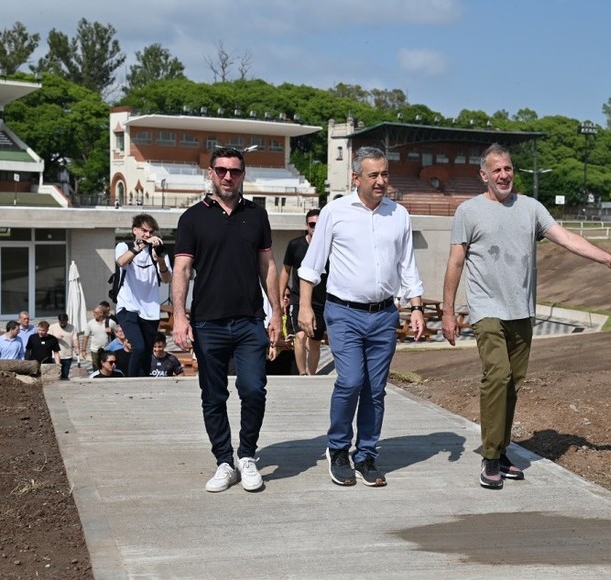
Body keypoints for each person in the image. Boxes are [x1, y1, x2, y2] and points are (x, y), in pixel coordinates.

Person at [441, 143, 611, 490]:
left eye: (508, 168)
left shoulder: (531, 208)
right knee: (498, 375)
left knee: (513, 384)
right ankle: (490, 458)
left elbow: (566, 238)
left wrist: (607, 258)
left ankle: (501, 451)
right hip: (487, 308)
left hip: (521, 309)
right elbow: (455, 262)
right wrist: (448, 311)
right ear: (484, 175)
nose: (504, 175)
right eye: (497, 170)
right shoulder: (468, 212)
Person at [298, 146, 426, 488]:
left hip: (384, 314)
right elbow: (312, 265)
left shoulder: (399, 214)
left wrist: (415, 306)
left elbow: (407, 264)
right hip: (344, 313)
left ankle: (366, 454)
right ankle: (338, 449)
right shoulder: (334, 212)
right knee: (351, 380)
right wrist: (305, 306)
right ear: (356, 178)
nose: (381, 181)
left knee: (374, 390)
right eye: (374, 175)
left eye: (385, 174)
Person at [172, 146, 281, 494]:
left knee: (253, 389)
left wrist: (277, 312)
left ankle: (246, 455)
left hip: (250, 320)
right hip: (207, 323)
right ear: (210, 173)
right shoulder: (192, 218)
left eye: (235, 171)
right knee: (213, 396)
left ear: (243, 174)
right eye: (221, 170)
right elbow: (182, 269)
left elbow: (268, 266)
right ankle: (224, 461)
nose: (228, 177)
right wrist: (179, 316)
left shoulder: (257, 216)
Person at [115, 213, 172, 377]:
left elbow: (167, 278)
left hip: (150, 309)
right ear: (135, 230)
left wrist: (160, 260)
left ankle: (145, 382)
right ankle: (131, 382)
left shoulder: (158, 252)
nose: (148, 235)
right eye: (144, 231)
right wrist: (140, 246)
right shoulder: (124, 246)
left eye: (151, 232)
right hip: (128, 306)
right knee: (138, 346)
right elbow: (121, 262)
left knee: (147, 350)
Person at [278, 208, 327, 375]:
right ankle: (302, 374)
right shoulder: (295, 245)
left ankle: (311, 375)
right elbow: (285, 270)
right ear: (306, 225)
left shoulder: (329, 247)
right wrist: (280, 295)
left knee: (314, 342)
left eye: (319, 225)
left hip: (321, 301)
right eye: (312, 224)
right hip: (299, 299)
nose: (315, 228)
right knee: (299, 337)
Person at [84, 306, 116, 372]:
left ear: (101, 313)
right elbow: (85, 337)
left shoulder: (110, 322)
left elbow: (119, 334)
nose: (93, 314)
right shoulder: (90, 323)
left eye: (95, 312)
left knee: (107, 367)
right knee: (96, 368)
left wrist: (112, 331)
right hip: (95, 350)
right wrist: (83, 350)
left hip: (107, 349)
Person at [50, 313, 80, 380]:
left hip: (68, 355)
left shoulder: (72, 327)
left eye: (64, 322)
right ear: (59, 321)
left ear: (67, 320)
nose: (63, 324)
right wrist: (55, 337)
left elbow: (75, 339)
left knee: (65, 376)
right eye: (61, 323)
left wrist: (76, 347)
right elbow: (47, 338)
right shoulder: (52, 327)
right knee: (56, 376)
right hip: (55, 356)